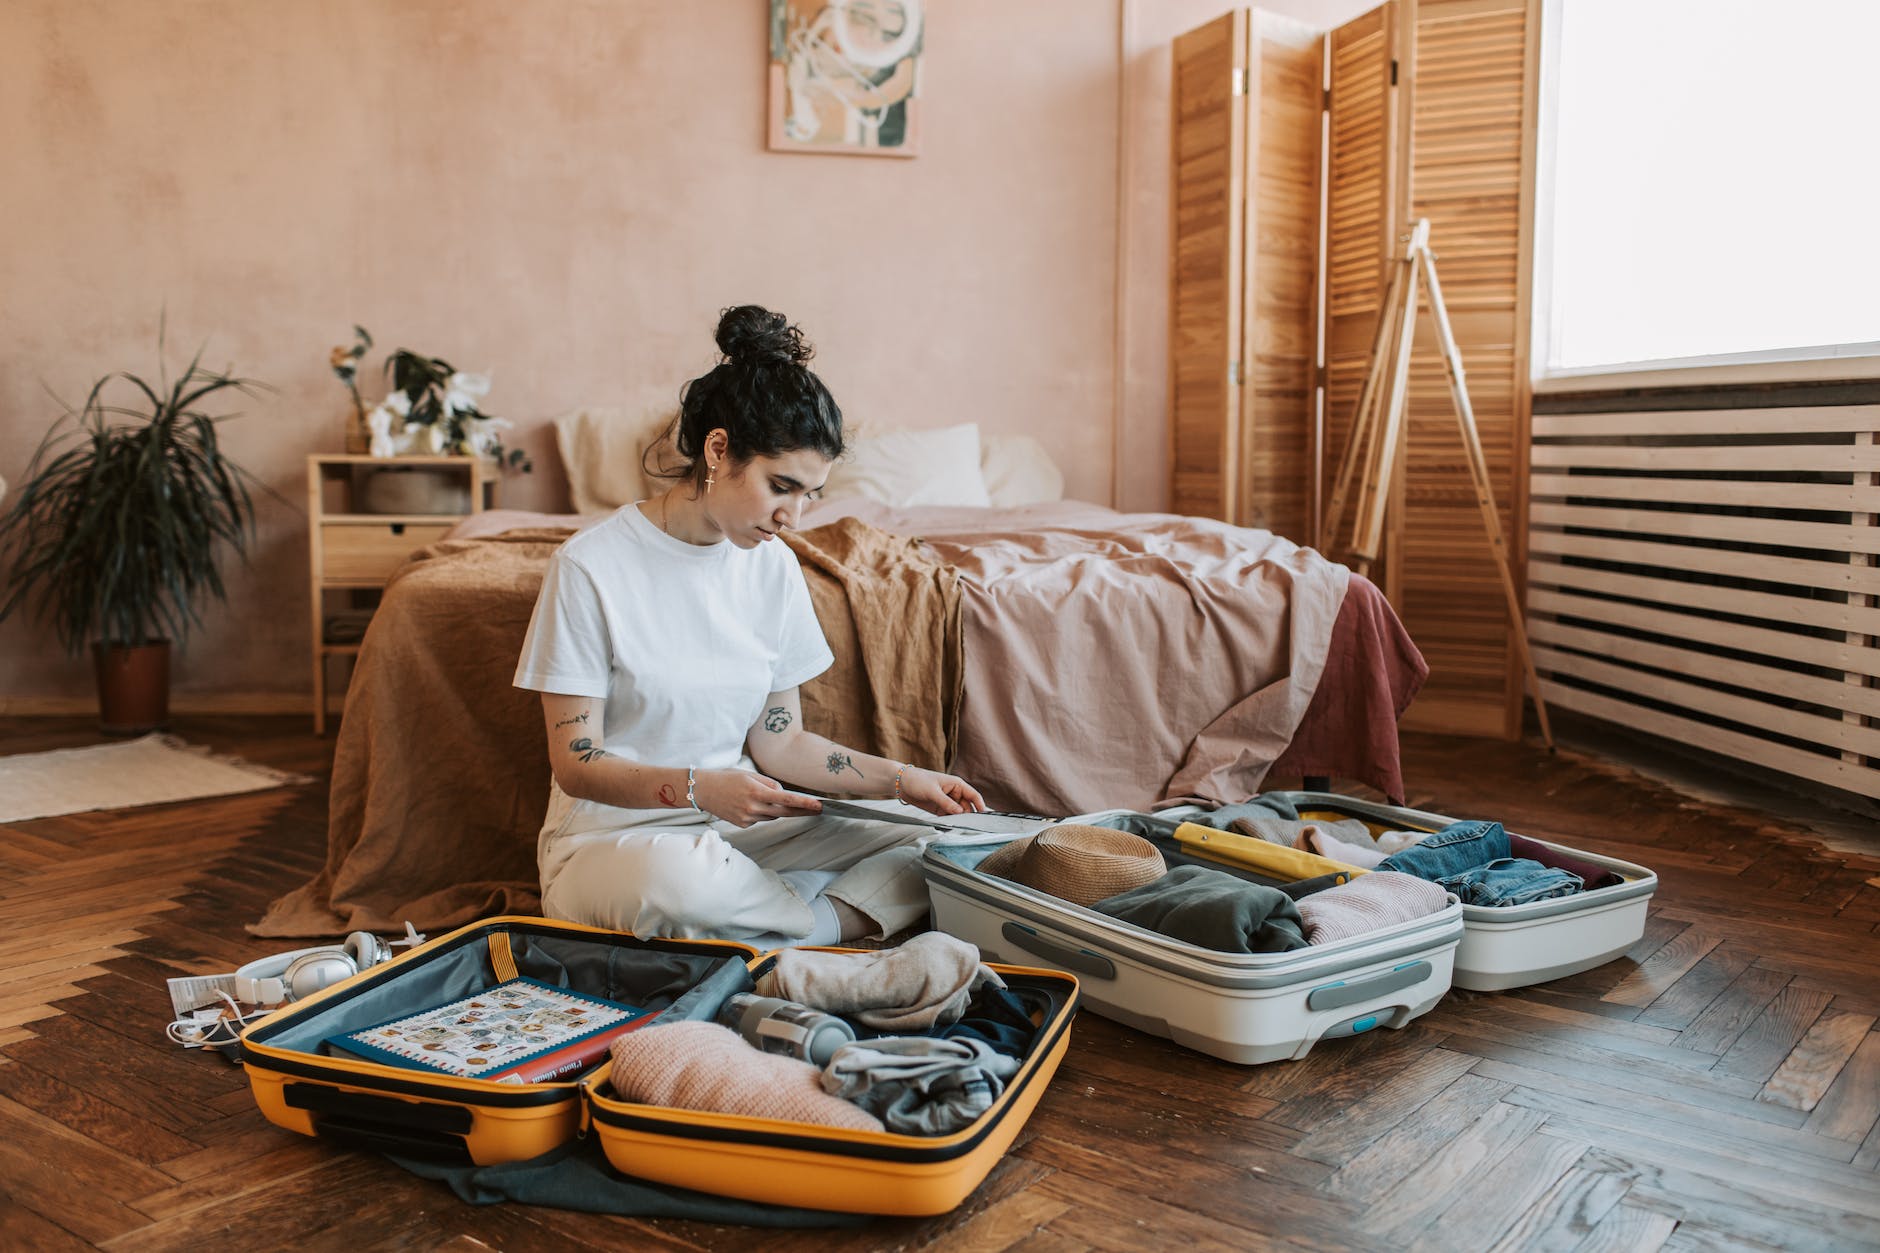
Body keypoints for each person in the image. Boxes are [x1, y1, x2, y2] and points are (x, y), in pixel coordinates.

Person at [513, 304, 985, 947]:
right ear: (717, 450)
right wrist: (699, 788)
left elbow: (781, 745)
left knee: (942, 844)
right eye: (781, 486)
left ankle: (763, 922)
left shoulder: (774, 567)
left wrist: (904, 782)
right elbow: (576, 763)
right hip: (616, 842)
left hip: (737, 832)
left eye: (810, 494)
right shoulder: (590, 566)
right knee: (679, 886)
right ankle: (824, 921)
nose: (794, 516)